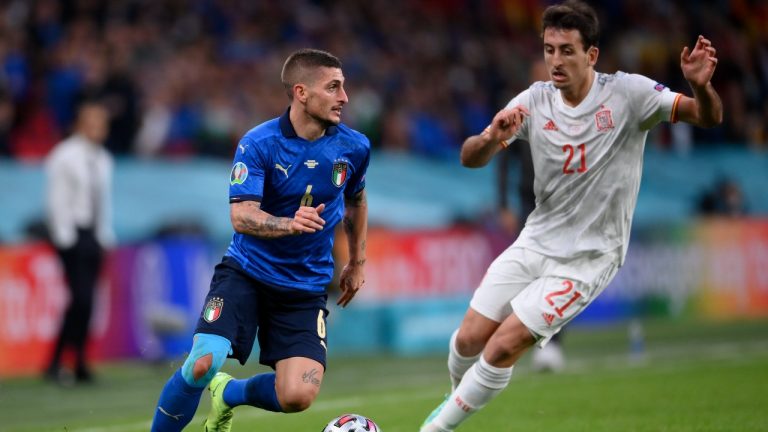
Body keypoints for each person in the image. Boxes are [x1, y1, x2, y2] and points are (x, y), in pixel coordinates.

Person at [420, 1, 722, 431]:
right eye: (549, 49)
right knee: (469, 338)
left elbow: (707, 117)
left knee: (504, 344)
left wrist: (701, 88)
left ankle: (436, 428)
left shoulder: (629, 93)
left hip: (589, 256)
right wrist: (492, 137)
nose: (555, 61)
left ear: (591, 55)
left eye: (566, 50)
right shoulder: (534, 99)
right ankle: (453, 400)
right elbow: (470, 158)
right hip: (536, 240)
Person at [150, 48, 370, 432]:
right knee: (203, 364)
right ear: (301, 92)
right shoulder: (259, 143)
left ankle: (228, 395)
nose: (344, 98)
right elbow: (241, 216)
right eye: (333, 87)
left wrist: (357, 261)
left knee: (297, 396)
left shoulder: (354, 147)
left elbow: (355, 199)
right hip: (247, 273)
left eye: (344, 87)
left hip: (304, 286)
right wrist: (289, 223)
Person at [43, 100, 115, 384]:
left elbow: (104, 201)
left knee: (84, 302)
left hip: (93, 234)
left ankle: (71, 360)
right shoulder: (64, 156)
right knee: (81, 298)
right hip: (72, 234)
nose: (98, 130)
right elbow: (56, 200)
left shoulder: (103, 159)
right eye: (93, 123)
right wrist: (64, 237)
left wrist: (104, 234)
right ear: (81, 125)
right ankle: (69, 360)